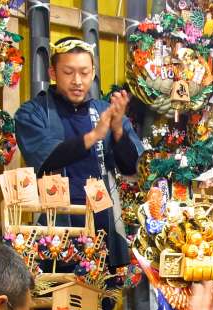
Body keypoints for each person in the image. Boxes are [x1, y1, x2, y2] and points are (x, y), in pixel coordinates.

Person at [15, 37, 144, 269]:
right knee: (55, 299)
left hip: (102, 222)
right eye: (68, 72)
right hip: (54, 225)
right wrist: (94, 136)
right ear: (52, 72)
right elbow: (46, 157)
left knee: (102, 300)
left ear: (93, 72)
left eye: (84, 73)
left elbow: (131, 168)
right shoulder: (32, 113)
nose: (77, 81)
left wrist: (116, 130)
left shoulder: (105, 112)